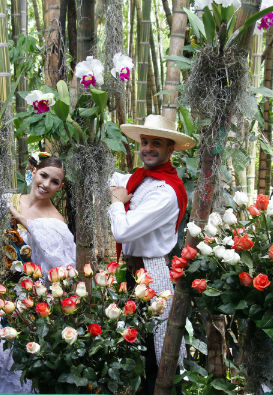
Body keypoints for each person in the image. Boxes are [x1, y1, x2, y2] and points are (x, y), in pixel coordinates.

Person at [108, 114, 195, 388]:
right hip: (133, 270)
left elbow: (121, 231)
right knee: (134, 347)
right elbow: (114, 180)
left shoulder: (165, 191)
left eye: (156, 143)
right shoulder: (140, 178)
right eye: (145, 142)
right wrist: (118, 196)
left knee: (158, 350)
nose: (147, 148)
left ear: (171, 149)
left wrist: (116, 202)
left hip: (154, 271)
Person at [0, 155, 76, 394]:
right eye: (43, 175)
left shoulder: (56, 223)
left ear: (60, 187)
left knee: (18, 361)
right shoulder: (7, 200)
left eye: (54, 182)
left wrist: (28, 224)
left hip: (27, 302)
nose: (46, 184)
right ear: (33, 172)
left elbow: (61, 268)